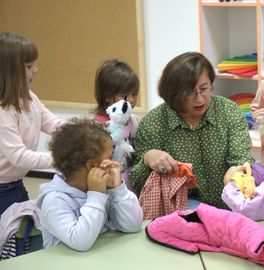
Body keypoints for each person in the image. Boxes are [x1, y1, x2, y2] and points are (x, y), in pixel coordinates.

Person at [129, 52, 252, 209]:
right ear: (174, 94)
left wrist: (237, 176)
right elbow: (140, 185)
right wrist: (148, 158)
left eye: (204, 89)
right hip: (179, 210)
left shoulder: (228, 111)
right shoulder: (154, 122)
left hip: (229, 205)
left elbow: (241, 162)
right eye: (189, 92)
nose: (199, 98)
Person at [37, 118, 143, 251]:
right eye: (110, 158)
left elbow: (133, 225)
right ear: (92, 165)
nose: (115, 163)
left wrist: (118, 189)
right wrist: (96, 197)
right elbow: (80, 242)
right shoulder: (54, 200)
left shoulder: (105, 188)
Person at [0, 32, 64, 216]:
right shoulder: (3, 111)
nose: (35, 70)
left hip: (17, 183)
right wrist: (62, 158)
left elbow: (53, 124)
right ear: (9, 71)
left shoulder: (30, 98)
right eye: (29, 66)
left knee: (23, 234)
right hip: (2, 190)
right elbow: (18, 157)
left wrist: (85, 130)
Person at [92, 59, 141, 193]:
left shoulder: (135, 121)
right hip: (110, 189)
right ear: (108, 96)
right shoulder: (98, 127)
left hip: (131, 190)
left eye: (135, 94)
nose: (131, 100)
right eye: (125, 96)